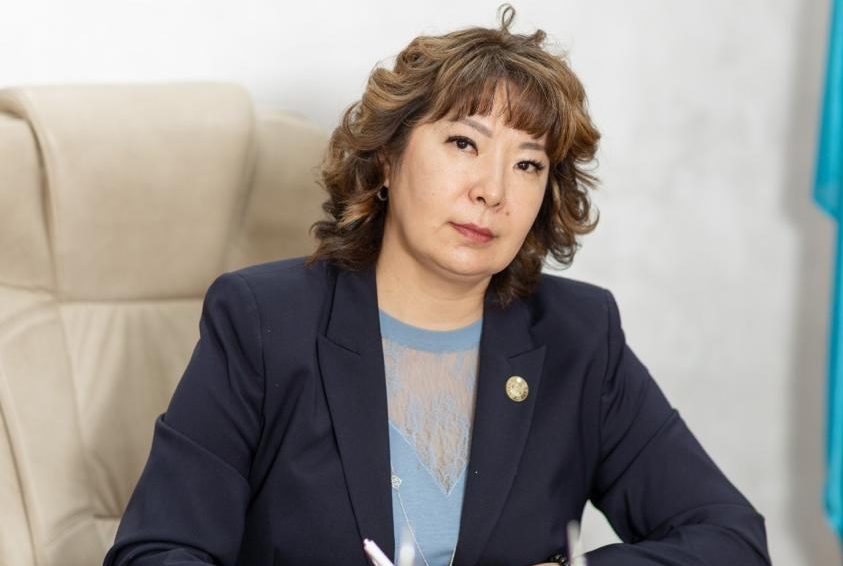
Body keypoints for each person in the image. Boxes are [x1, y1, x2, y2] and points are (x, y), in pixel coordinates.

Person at [104, 6, 771, 566]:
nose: (492, 190)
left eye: (528, 163)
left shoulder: (579, 336)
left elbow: (730, 541)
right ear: (388, 159)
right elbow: (157, 551)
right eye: (463, 144)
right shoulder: (262, 321)